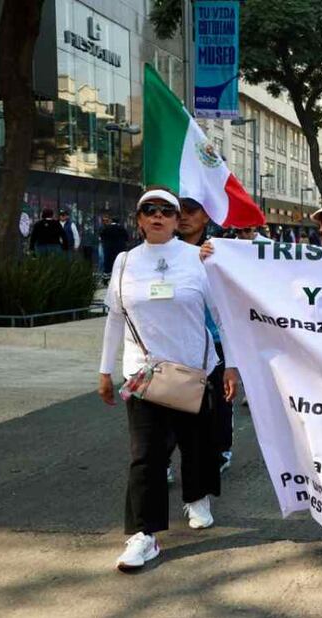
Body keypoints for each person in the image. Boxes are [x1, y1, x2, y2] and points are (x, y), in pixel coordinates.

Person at [200, 189, 322, 587]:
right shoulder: (291, 265)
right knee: (320, 455)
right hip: (309, 382)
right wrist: (215, 258)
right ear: (320, 225)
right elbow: (248, 292)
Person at [98, 187, 239, 572]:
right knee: (146, 456)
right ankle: (144, 535)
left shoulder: (199, 259)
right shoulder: (124, 263)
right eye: (149, 210)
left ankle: (197, 497)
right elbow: (114, 317)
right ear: (139, 219)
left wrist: (232, 364)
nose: (157, 216)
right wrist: (104, 369)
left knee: (198, 445)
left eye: (166, 210)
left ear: (178, 221)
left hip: (195, 370)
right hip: (144, 375)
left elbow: (223, 315)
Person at [178, 198, 235, 474]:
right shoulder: (164, 252)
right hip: (177, 341)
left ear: (206, 217)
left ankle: (221, 449)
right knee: (169, 401)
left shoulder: (220, 250)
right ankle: (162, 457)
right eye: (179, 212)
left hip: (216, 339)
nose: (183, 218)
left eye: (191, 212)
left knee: (220, 400)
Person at [99, 213, 130, 281]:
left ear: (112, 221)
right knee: (119, 263)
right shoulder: (121, 228)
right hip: (119, 249)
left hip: (108, 248)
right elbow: (127, 238)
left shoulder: (107, 228)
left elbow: (102, 236)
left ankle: (106, 278)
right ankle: (119, 277)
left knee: (108, 263)